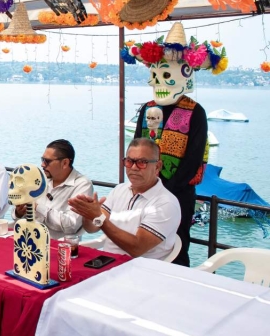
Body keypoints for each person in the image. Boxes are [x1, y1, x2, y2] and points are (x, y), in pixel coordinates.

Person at [123, 22, 222, 266]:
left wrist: (164, 190)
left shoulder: (195, 112)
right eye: (155, 75)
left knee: (177, 244)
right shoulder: (147, 108)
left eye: (166, 74)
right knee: (141, 240)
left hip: (178, 194)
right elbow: (136, 145)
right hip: (144, 192)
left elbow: (193, 158)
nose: (157, 81)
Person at [68, 139, 181, 260]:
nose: (134, 167)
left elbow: (137, 248)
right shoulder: (120, 190)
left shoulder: (166, 203)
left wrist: (99, 219)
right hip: (108, 264)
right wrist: (88, 214)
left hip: (142, 272)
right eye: (129, 161)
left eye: (142, 162)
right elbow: (93, 228)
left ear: (157, 166)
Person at [12, 139, 93, 240]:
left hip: (60, 247)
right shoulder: (40, 178)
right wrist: (19, 212)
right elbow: (18, 217)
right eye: (42, 160)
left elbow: (72, 225)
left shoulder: (82, 185)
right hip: (29, 239)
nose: (42, 165)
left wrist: (37, 207)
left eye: (47, 161)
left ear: (65, 163)